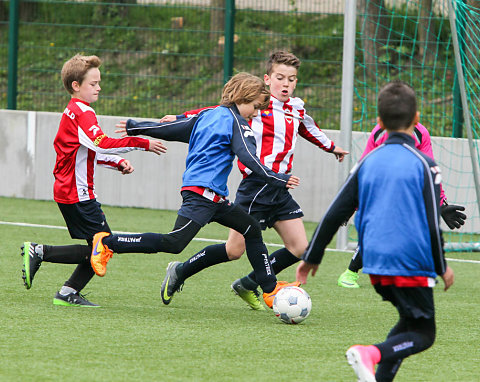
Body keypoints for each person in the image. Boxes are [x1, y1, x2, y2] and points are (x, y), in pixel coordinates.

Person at [137, 51, 349, 310]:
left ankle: (249, 283)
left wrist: (332, 147)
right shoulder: (256, 105)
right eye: (280, 78)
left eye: (291, 79)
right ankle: (180, 271)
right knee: (233, 251)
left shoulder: (296, 107)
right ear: (267, 79)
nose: (286, 84)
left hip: (280, 188)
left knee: (299, 247)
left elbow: (309, 129)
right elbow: (216, 112)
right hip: (256, 187)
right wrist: (181, 118)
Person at [90, 72, 301, 308]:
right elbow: (250, 158)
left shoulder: (207, 114)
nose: (256, 113)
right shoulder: (238, 124)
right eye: (255, 107)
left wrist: (136, 127)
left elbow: (175, 127)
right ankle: (109, 243)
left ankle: (270, 290)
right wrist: (279, 178)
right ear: (245, 97)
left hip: (212, 197)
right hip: (203, 194)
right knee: (174, 243)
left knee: (251, 229)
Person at [296, 80, 455, 382]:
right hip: (410, 262)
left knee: (409, 323)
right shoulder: (426, 164)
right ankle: (370, 353)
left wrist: (312, 256)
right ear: (417, 119)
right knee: (424, 333)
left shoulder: (366, 162)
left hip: (374, 263)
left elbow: (335, 213)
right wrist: (442, 266)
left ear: (379, 123)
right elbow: (432, 223)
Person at [20, 54, 166, 307]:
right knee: (104, 245)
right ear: (76, 86)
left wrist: (116, 162)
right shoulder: (82, 112)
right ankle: (40, 252)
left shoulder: (73, 111)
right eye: (93, 84)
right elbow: (102, 143)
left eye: (99, 83)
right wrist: (142, 142)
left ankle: (67, 292)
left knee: (98, 249)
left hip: (69, 191)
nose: (99, 88)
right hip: (78, 194)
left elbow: (86, 153)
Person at [337, 122, 466, 288]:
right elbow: (364, 168)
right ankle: (350, 273)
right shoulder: (379, 132)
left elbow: (430, 168)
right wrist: (349, 204)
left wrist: (441, 204)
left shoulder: (421, 133)